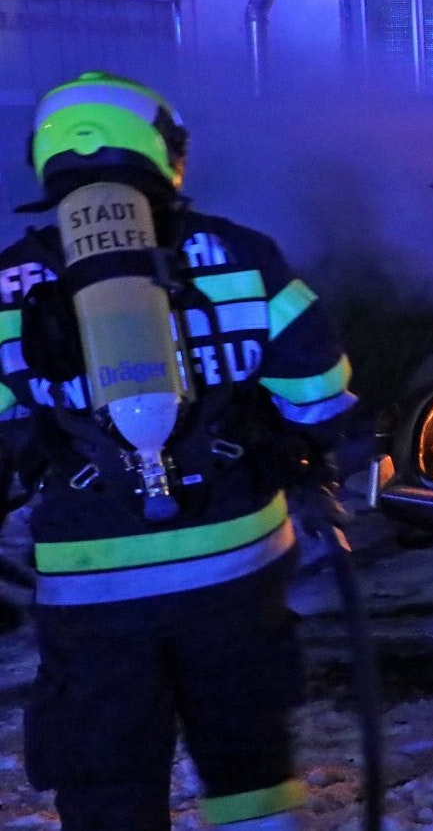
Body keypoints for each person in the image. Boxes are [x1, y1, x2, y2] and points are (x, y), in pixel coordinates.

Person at [0, 71, 357, 828]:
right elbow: (317, 396)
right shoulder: (242, 255)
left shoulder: (6, 283)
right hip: (237, 569)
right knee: (248, 762)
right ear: (161, 151)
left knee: (107, 775)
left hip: (91, 584)